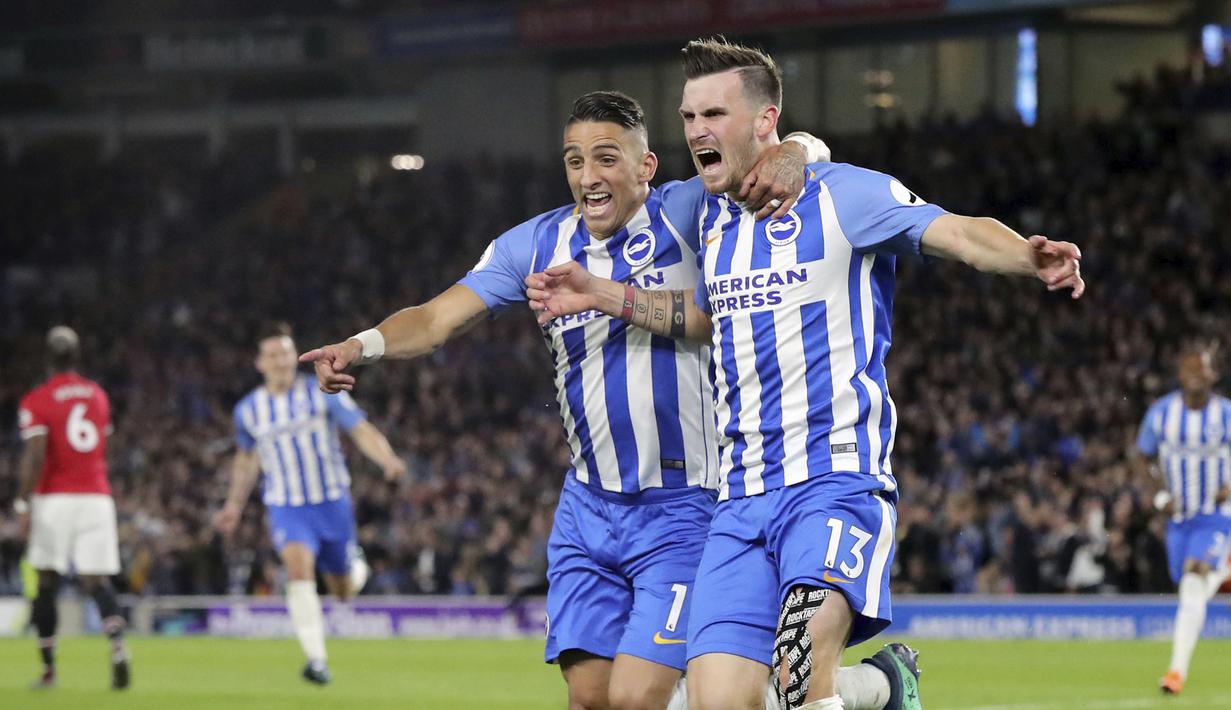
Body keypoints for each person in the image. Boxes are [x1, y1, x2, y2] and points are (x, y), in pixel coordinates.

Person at [526, 38, 1085, 710]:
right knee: (716, 701)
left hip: (830, 483)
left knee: (796, 659)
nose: (697, 131)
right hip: (738, 503)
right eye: (688, 116)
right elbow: (700, 314)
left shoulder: (845, 195)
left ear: (764, 121)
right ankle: (881, 684)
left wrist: (1028, 255)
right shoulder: (708, 218)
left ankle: (852, 683)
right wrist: (601, 293)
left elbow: (958, 233)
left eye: (714, 114)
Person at [300, 91, 827, 710]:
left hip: (687, 506)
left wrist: (795, 149)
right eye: (574, 161)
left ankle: (855, 688)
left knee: (638, 698)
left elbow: (796, 160)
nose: (587, 176)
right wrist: (360, 346)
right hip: (587, 508)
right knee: (591, 700)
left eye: (606, 159)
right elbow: (437, 317)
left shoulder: (689, 212)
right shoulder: (535, 243)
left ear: (646, 167)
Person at [213, 322, 407, 685]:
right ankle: (317, 660)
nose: (280, 360)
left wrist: (387, 459)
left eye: (285, 353)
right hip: (287, 506)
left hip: (331, 502)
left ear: (294, 356)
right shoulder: (249, 411)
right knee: (298, 570)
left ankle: (355, 567)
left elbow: (359, 428)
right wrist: (233, 506)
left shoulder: (322, 392)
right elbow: (246, 460)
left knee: (343, 591)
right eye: (272, 355)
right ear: (260, 363)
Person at [15, 325, 131, 690]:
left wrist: (22, 502)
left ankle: (49, 671)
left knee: (46, 580)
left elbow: (35, 457)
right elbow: (105, 448)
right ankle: (118, 648)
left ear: (48, 356)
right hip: (96, 494)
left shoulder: (38, 399)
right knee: (97, 580)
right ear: (77, 356)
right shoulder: (98, 396)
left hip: (56, 498)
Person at [1134, 344, 1231, 695]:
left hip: (1216, 517)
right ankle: (1224, 569)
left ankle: (1176, 672)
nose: (1194, 374)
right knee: (1191, 589)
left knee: (1192, 583)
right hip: (1179, 521)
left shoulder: (1226, 415)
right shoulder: (1162, 414)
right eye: (1188, 368)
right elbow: (1142, 457)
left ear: (1212, 375)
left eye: (1201, 368)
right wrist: (1159, 495)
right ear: (1179, 375)